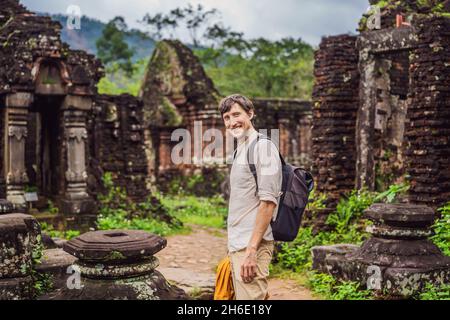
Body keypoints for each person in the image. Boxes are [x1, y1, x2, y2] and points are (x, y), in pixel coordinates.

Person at [219, 94, 282, 300]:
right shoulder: (241, 149)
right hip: (238, 243)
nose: (232, 121)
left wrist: (251, 250)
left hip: (251, 245)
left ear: (250, 113)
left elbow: (268, 203)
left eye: (236, 114)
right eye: (227, 117)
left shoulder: (263, 147)